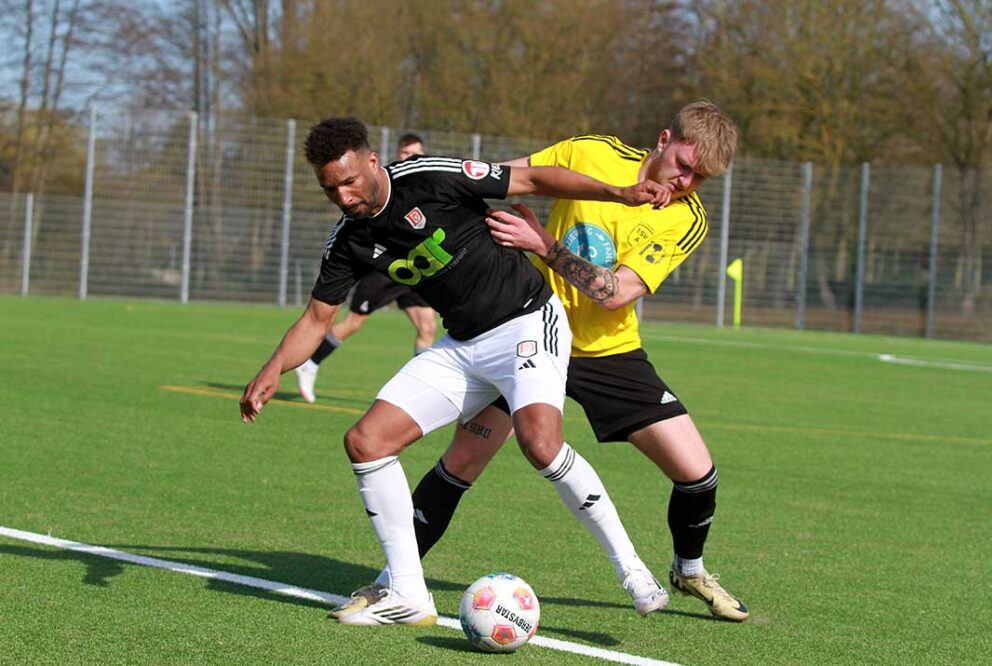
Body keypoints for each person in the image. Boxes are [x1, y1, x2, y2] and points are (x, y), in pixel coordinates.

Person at [240, 116, 673, 626]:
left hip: (527, 321)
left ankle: (634, 574)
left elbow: (534, 179)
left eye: (350, 181)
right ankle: (407, 594)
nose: (342, 196)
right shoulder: (349, 239)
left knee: (540, 444)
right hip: (463, 346)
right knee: (366, 441)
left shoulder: (430, 175)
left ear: (373, 161)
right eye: (330, 188)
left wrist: (620, 193)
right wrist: (273, 366)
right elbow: (317, 319)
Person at [344, 101, 750, 622]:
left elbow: (615, 294)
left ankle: (689, 569)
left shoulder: (686, 219)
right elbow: (509, 178)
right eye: (684, 165)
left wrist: (545, 245)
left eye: (701, 178)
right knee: (462, 462)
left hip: (606, 352)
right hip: (523, 327)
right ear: (664, 138)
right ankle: (393, 583)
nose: (687, 181)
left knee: (697, 473)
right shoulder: (592, 153)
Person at [294, 133, 436, 403]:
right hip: (386, 271)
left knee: (427, 328)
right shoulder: (381, 186)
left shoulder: (423, 183)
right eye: (406, 153)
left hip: (414, 270)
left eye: (416, 153)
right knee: (355, 321)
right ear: (396, 154)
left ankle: (420, 392)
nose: (411, 158)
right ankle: (310, 362)